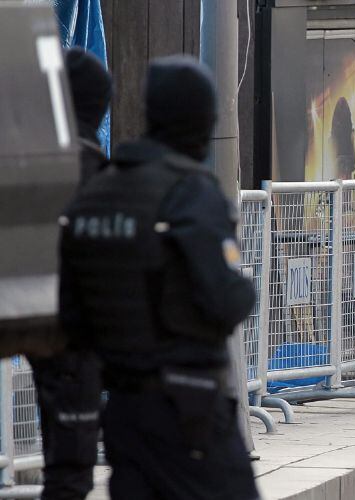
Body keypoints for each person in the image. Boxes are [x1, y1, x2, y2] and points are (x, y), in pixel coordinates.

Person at [58, 55, 259, 499]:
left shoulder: (96, 194)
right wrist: (245, 288)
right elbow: (224, 300)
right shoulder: (190, 191)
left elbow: (71, 318)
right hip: (192, 414)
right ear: (200, 120)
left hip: (124, 415)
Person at [28, 47, 111, 500]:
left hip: (33, 320)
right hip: (73, 338)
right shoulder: (99, 177)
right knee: (70, 470)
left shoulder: (24, 169)